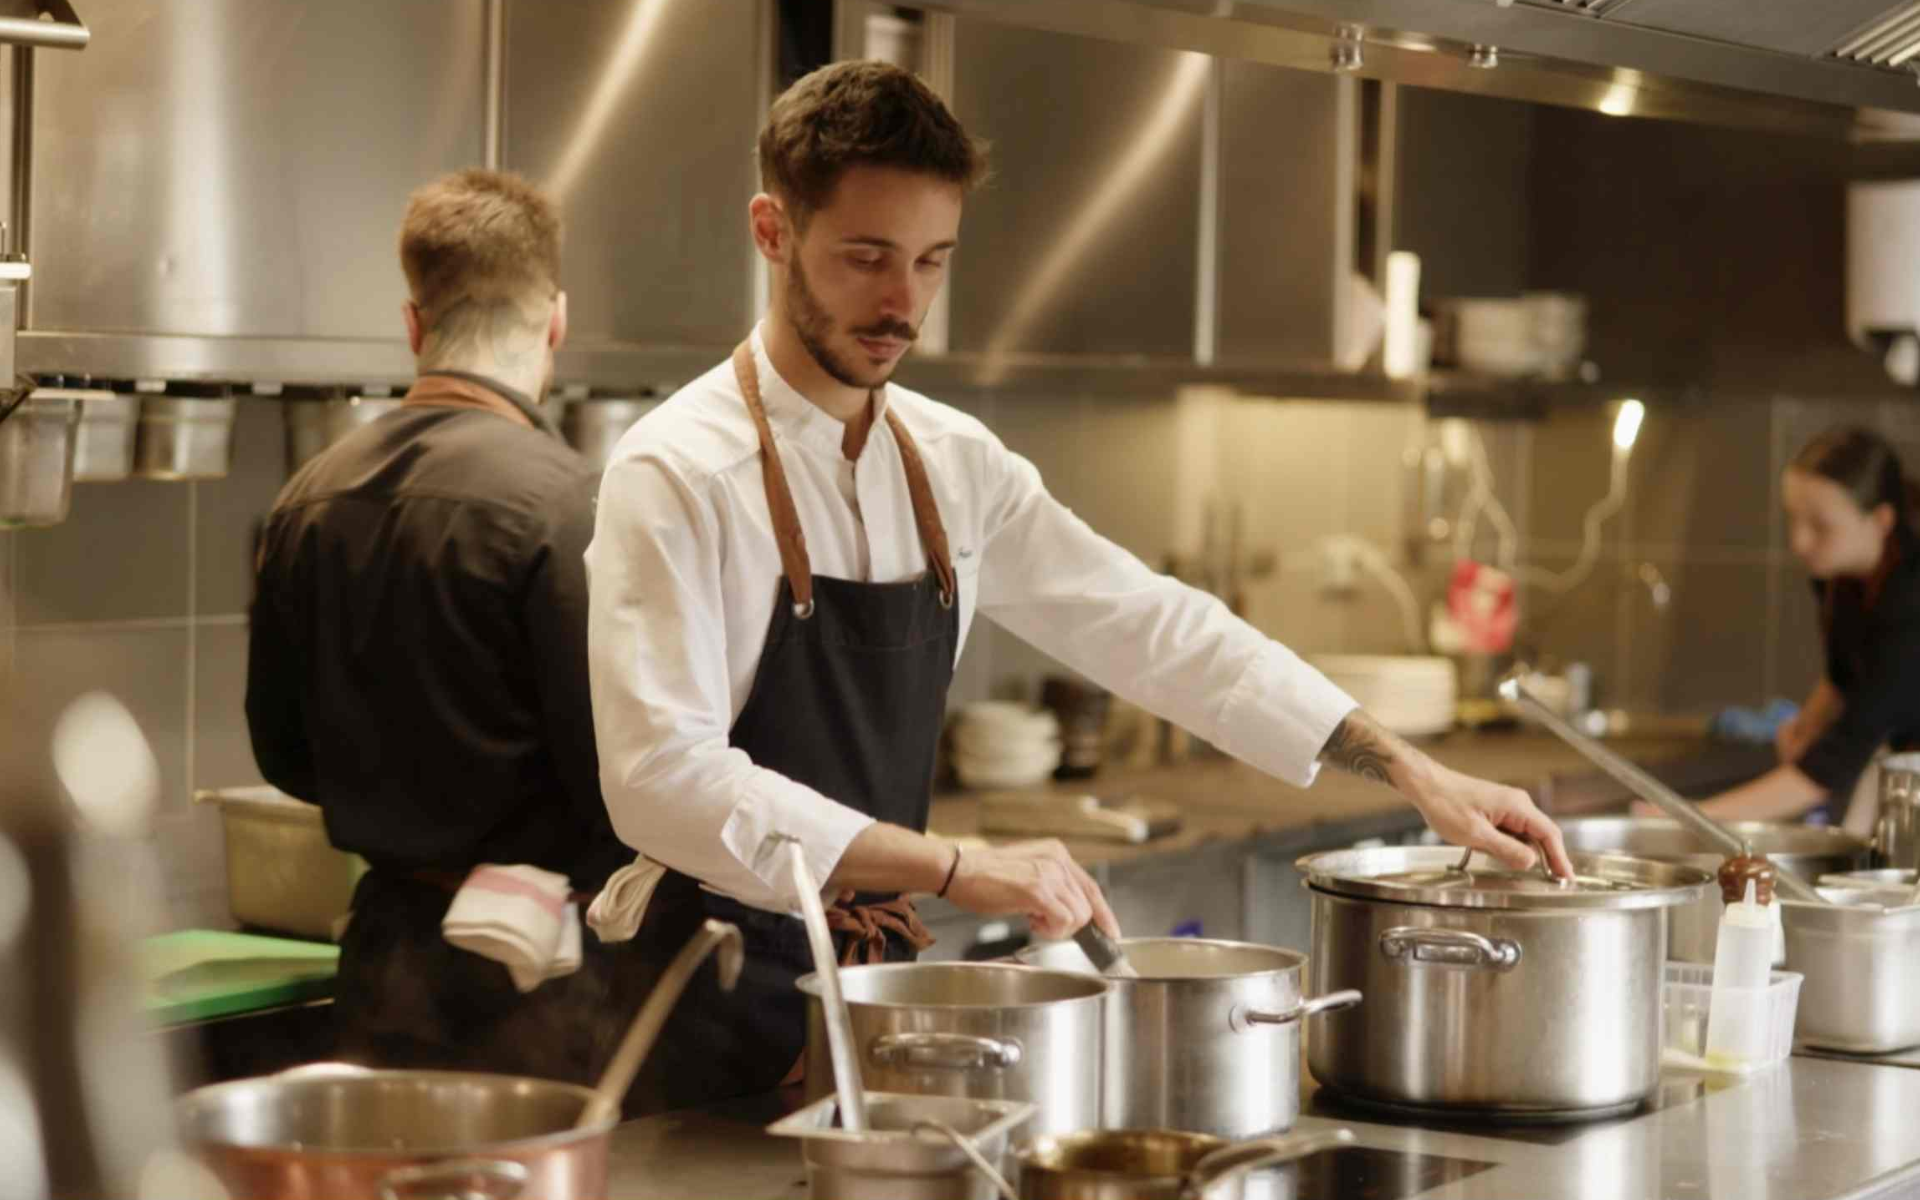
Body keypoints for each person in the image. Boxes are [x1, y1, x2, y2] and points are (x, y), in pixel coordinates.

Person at [584, 60, 1571, 1114]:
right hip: (711, 994)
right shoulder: (676, 470)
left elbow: (1155, 627)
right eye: (866, 257)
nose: (901, 302)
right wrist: (956, 866)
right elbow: (663, 779)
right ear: (773, 231)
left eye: (931, 261)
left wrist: (1414, 773)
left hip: (878, 992)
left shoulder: (954, 464)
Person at [247, 169, 633, 1083]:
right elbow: (615, 773)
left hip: (383, 955)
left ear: (415, 324)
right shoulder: (569, 503)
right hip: (537, 969)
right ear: (556, 321)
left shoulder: (304, 499)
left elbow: (283, 756)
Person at [1688, 427, 1920, 828]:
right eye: (1794, 518)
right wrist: (1808, 724)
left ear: (1881, 520)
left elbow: (1830, 767)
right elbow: (1844, 674)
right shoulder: (1839, 572)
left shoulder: (1910, 603)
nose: (1799, 542)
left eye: (1821, 526)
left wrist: (1691, 818)